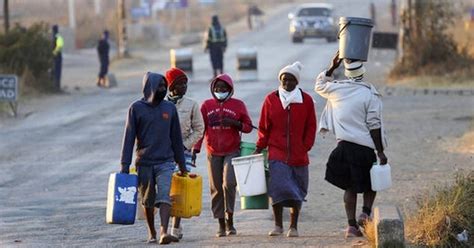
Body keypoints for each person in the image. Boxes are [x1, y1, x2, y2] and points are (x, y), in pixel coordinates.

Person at [314, 51, 388, 238]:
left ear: (346, 73)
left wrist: (332, 66)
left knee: (350, 187)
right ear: (362, 73)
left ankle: (351, 226)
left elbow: (319, 85)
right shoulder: (369, 93)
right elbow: (374, 125)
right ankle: (365, 211)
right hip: (364, 148)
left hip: (344, 148)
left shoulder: (336, 89)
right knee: (372, 185)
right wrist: (380, 152)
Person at [120, 72, 187, 245]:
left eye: (164, 87)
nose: (163, 90)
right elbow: (128, 138)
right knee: (148, 200)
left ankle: (164, 231)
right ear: (149, 87)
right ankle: (152, 231)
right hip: (144, 162)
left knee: (164, 195)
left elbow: (176, 139)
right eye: (159, 87)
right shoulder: (135, 109)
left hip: (165, 161)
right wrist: (124, 165)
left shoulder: (169, 109)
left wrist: (181, 164)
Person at [254, 62, 317, 238]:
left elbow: (311, 126)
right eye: (284, 80)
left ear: (297, 82)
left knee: (297, 190)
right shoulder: (271, 99)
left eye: (291, 80)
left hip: (299, 154)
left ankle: (294, 226)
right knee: (278, 188)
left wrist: (306, 146)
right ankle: (278, 225)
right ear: (280, 80)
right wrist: (260, 146)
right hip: (277, 152)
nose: (287, 83)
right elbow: (264, 127)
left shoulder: (306, 100)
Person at [193, 73, 253, 237]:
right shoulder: (206, 106)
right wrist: (196, 149)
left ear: (230, 89)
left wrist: (235, 123)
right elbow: (201, 129)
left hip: (232, 150)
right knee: (216, 188)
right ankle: (220, 223)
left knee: (229, 183)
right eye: (218, 88)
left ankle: (230, 219)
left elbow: (248, 127)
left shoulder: (238, 105)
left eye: (224, 88)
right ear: (213, 89)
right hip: (213, 152)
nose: (221, 91)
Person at [164, 67, 205, 240]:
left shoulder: (192, 105)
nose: (184, 87)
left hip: (184, 153)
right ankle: (163, 227)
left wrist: (184, 147)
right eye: (180, 84)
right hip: (163, 154)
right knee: (166, 190)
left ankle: (176, 226)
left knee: (180, 189)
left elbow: (199, 129)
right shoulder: (161, 105)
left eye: (185, 83)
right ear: (171, 86)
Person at [52, 25, 64, 91]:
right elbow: (60, 46)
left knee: (56, 72)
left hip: (56, 56)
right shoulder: (59, 37)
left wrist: (53, 53)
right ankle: (56, 86)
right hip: (57, 56)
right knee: (57, 72)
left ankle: (56, 86)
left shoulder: (54, 37)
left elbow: (59, 47)